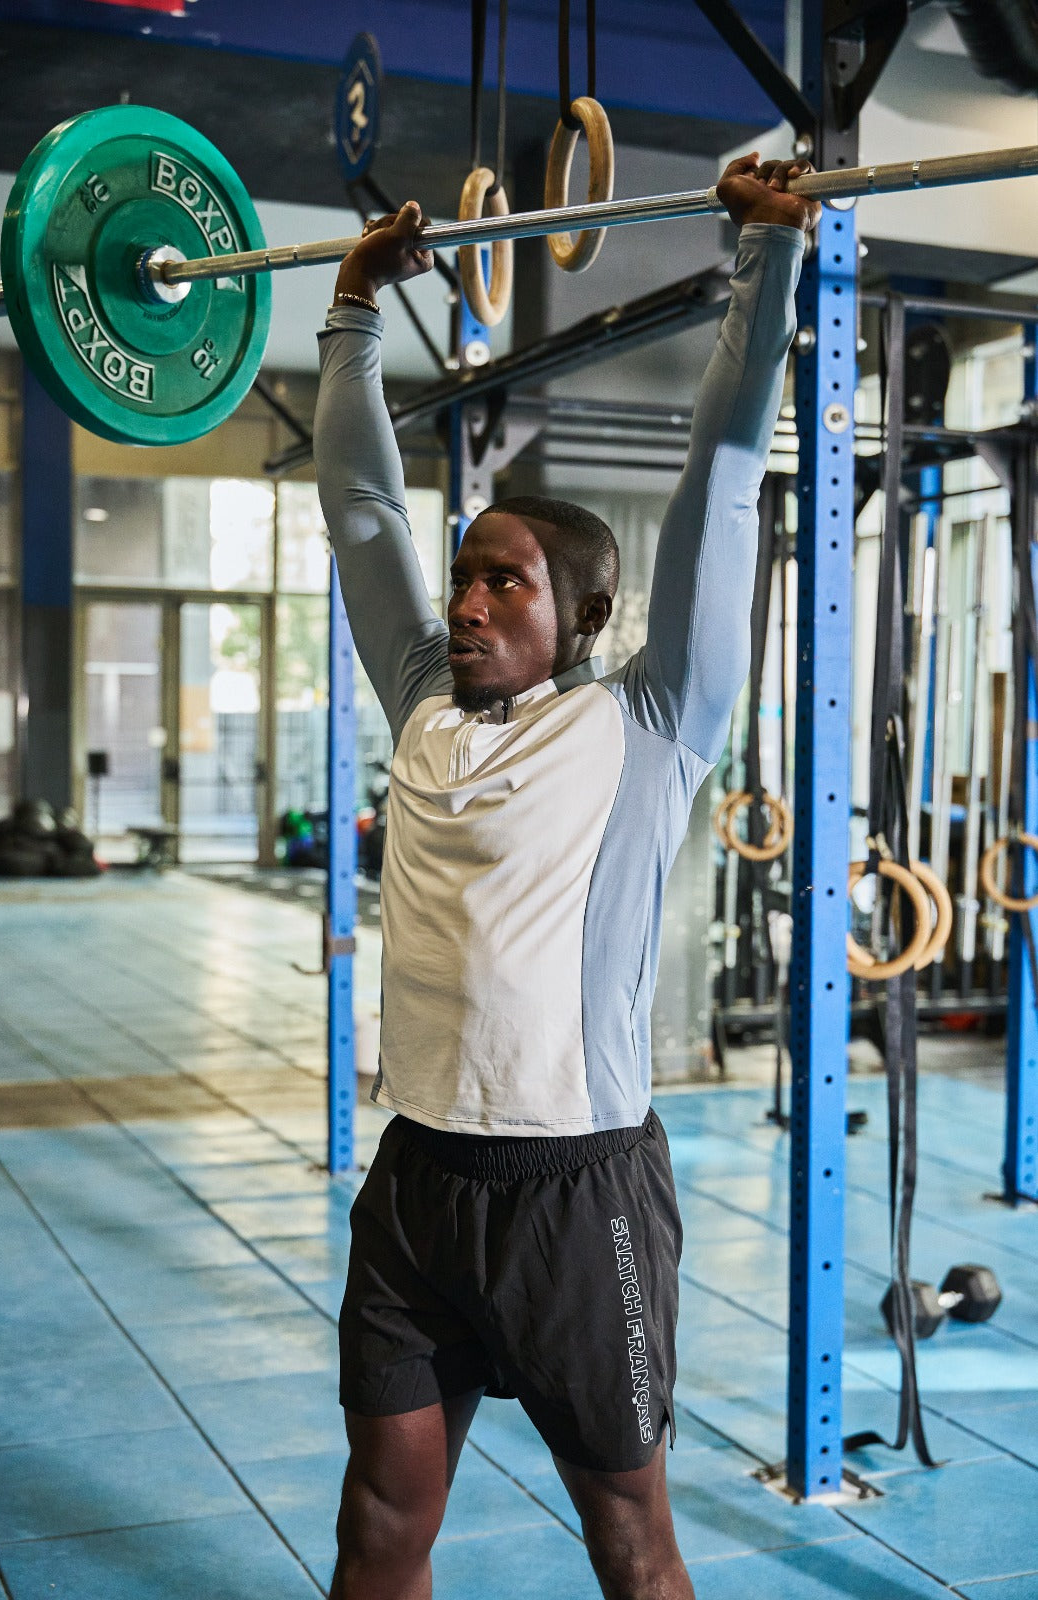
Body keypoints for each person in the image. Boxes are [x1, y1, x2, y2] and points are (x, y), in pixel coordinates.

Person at [314, 153, 820, 1600]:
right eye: (464, 576)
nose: (468, 603)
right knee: (377, 1529)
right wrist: (353, 311)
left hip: (573, 1193)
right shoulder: (423, 696)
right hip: (416, 1181)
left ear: (586, 614)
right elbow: (362, 509)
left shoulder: (648, 723)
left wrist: (764, 258)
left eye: (507, 583)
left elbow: (722, 476)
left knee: (630, 1546)